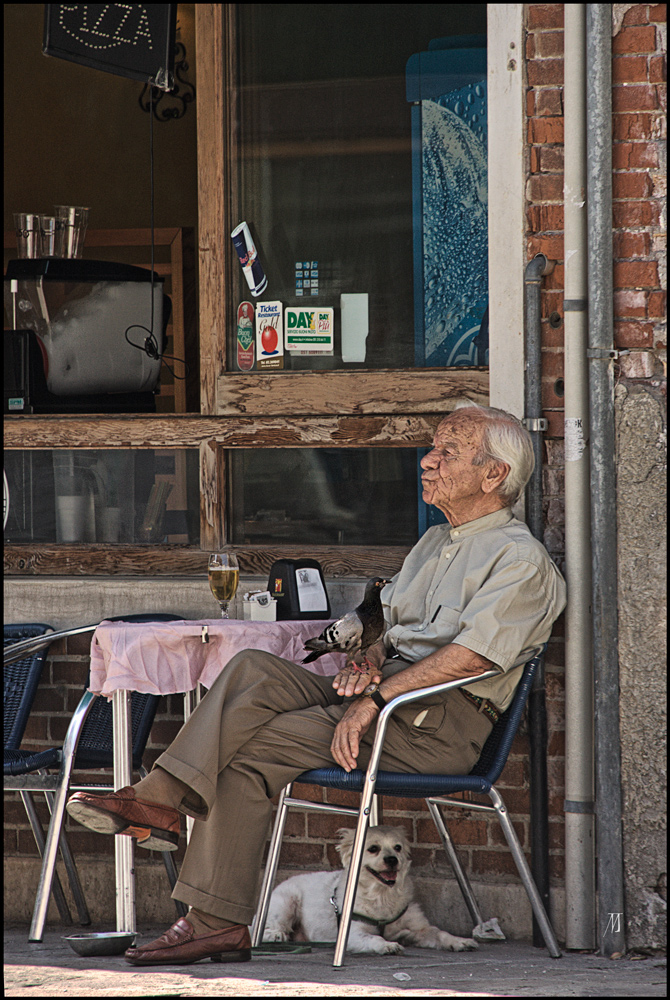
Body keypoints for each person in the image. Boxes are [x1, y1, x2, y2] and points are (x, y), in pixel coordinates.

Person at [67, 402, 566, 966]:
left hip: (434, 724)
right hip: (385, 696)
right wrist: (371, 659)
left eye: (448, 452)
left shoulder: (521, 560)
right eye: (433, 448)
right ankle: (158, 804)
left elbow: (471, 658)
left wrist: (376, 698)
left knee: (251, 753)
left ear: (494, 474)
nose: (427, 461)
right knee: (252, 668)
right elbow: (390, 622)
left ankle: (210, 915)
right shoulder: (434, 544)